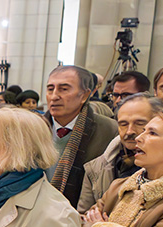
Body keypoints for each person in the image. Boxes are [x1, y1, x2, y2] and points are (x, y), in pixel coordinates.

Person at [45, 65, 118, 207]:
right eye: (50, 89)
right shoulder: (32, 128)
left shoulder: (108, 130)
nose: (54, 96)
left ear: (84, 95)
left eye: (64, 89)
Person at [78, 93, 162, 214]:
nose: (129, 131)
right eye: (123, 124)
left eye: (139, 123)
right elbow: (83, 219)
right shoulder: (96, 167)